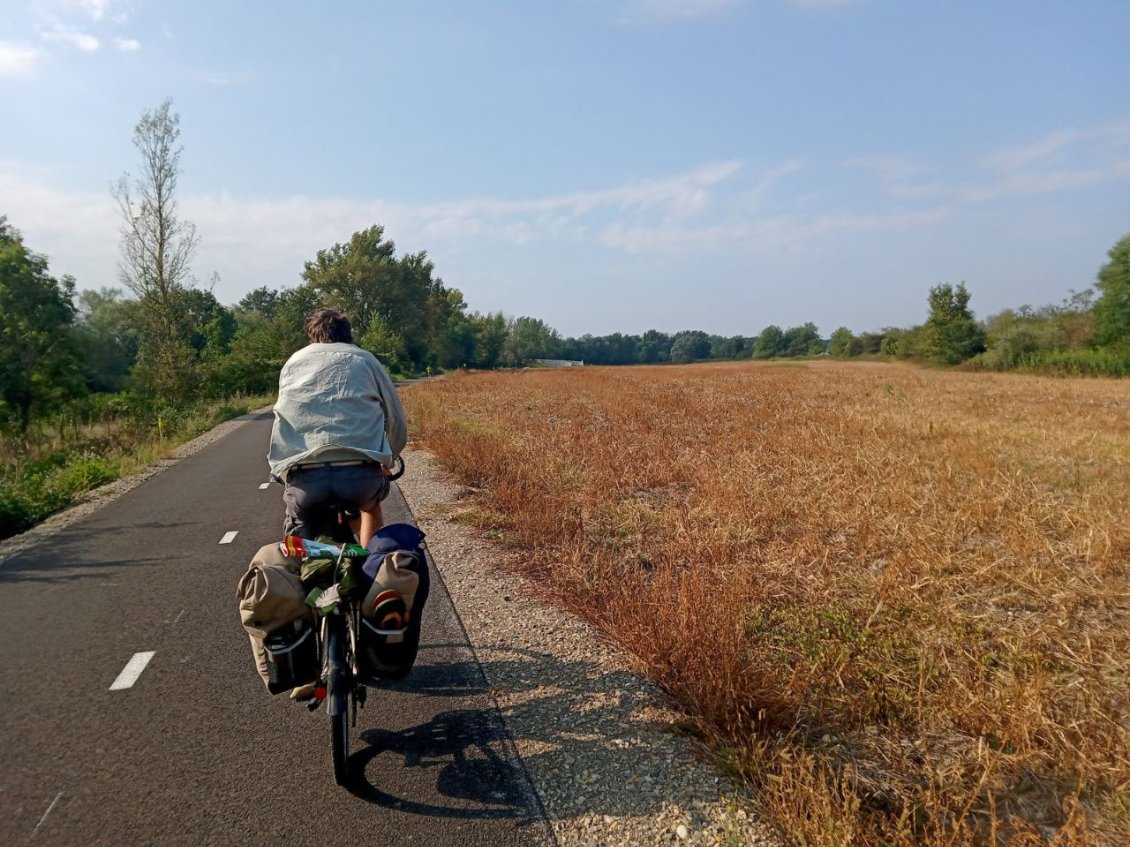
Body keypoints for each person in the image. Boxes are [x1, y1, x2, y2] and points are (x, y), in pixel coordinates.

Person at [268, 308, 407, 548]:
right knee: (370, 507)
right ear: (348, 334)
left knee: (298, 527)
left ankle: (301, 574)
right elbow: (395, 417)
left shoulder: (293, 362)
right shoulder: (365, 359)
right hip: (360, 477)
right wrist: (390, 457)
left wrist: (281, 467)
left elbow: (283, 415)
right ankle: (368, 566)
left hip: (305, 478)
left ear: (312, 335)